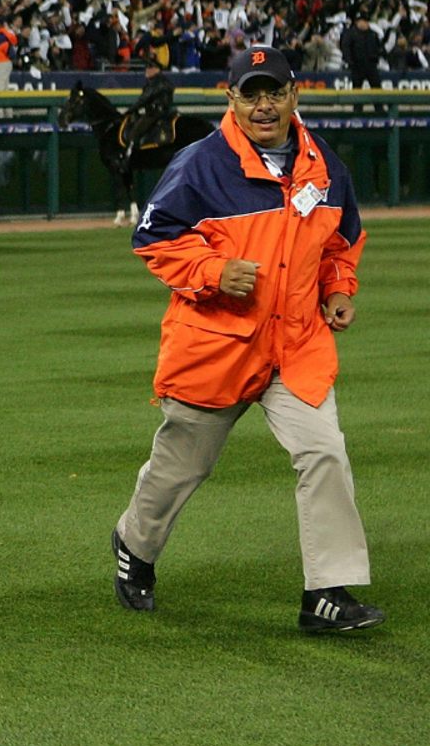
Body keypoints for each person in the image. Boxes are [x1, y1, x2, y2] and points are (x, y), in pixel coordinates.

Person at [112, 46, 382, 633]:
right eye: (251, 93)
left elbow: (341, 244)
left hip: (296, 343)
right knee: (180, 467)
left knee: (324, 452)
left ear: (294, 95)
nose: (264, 105)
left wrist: (337, 289)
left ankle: (327, 594)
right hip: (217, 342)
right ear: (230, 98)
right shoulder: (202, 164)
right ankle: (135, 544)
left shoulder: (326, 166)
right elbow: (154, 237)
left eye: (275, 92)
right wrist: (212, 272)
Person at [338, 17, 384, 112]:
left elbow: (378, 47)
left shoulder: (372, 33)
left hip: (371, 65)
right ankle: (357, 111)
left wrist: (376, 58)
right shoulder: (351, 34)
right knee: (357, 89)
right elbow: (346, 48)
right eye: (364, 21)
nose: (366, 23)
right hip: (357, 65)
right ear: (358, 22)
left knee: (376, 88)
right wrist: (350, 62)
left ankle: (379, 110)